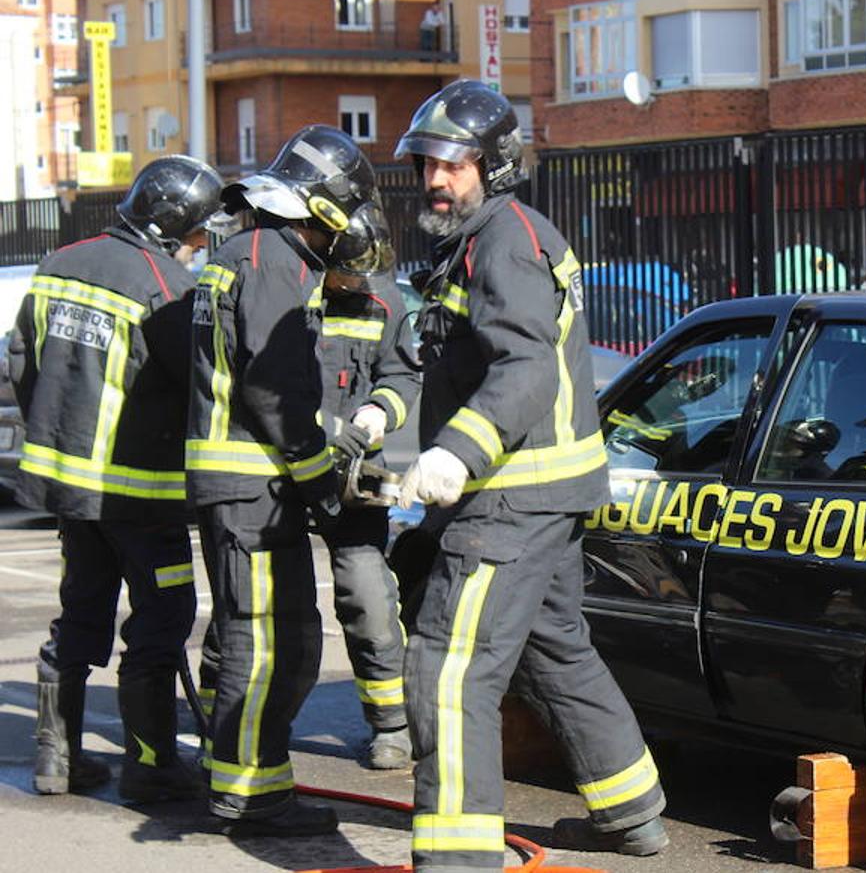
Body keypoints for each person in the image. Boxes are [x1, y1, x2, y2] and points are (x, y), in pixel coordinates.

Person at [394, 79, 668, 872]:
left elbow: (525, 370)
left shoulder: (503, 241)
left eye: (452, 164)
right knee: (554, 648)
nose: (435, 180)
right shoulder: (498, 233)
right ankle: (633, 813)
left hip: (509, 500)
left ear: (495, 163)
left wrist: (456, 454)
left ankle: (457, 856)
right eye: (427, 164)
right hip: (549, 493)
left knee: (446, 669)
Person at [187, 125, 389, 836]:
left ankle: (252, 783)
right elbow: (276, 393)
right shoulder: (276, 263)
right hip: (254, 487)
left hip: (245, 487)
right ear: (326, 206)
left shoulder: (246, 251)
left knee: (285, 639)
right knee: (268, 643)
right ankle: (248, 797)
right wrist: (322, 481)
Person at [11, 156, 225, 801]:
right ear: (171, 226)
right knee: (161, 620)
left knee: (81, 611)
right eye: (196, 233)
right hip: (141, 496)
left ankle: (55, 760)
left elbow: (23, 360)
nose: (198, 245)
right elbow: (198, 390)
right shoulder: (168, 288)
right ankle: (153, 767)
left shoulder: (57, 263)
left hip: (67, 492)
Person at [316, 232, 421, 770]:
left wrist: (380, 409)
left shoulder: (382, 296)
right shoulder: (284, 285)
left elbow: (402, 373)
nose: (359, 284)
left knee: (369, 599)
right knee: (261, 603)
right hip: (284, 467)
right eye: (349, 275)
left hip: (355, 473)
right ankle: (231, 719)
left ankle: (391, 725)